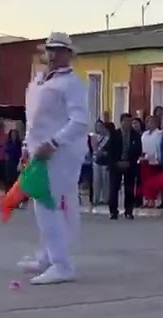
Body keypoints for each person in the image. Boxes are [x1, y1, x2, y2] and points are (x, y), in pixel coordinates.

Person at [16, 32, 89, 285]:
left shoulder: (72, 83)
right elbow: (33, 120)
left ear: (70, 54)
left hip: (61, 153)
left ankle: (62, 263)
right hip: (40, 150)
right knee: (52, 204)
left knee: (47, 204)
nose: (54, 54)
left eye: (59, 49)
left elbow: (80, 121)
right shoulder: (40, 82)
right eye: (50, 49)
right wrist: (27, 144)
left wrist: (54, 142)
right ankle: (48, 256)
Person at [105, 113, 142, 220]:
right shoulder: (114, 134)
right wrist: (117, 162)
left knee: (129, 188)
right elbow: (110, 151)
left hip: (130, 165)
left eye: (130, 121)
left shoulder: (136, 135)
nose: (128, 123)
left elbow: (138, 151)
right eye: (126, 121)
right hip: (116, 165)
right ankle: (113, 211)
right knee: (114, 188)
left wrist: (129, 162)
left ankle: (129, 211)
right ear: (121, 122)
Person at [90, 119, 111, 211]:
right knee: (96, 181)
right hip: (96, 161)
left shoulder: (109, 138)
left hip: (106, 162)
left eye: (101, 126)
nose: (99, 128)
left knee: (106, 181)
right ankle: (96, 198)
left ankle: (106, 199)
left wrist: (105, 153)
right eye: (97, 126)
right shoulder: (95, 137)